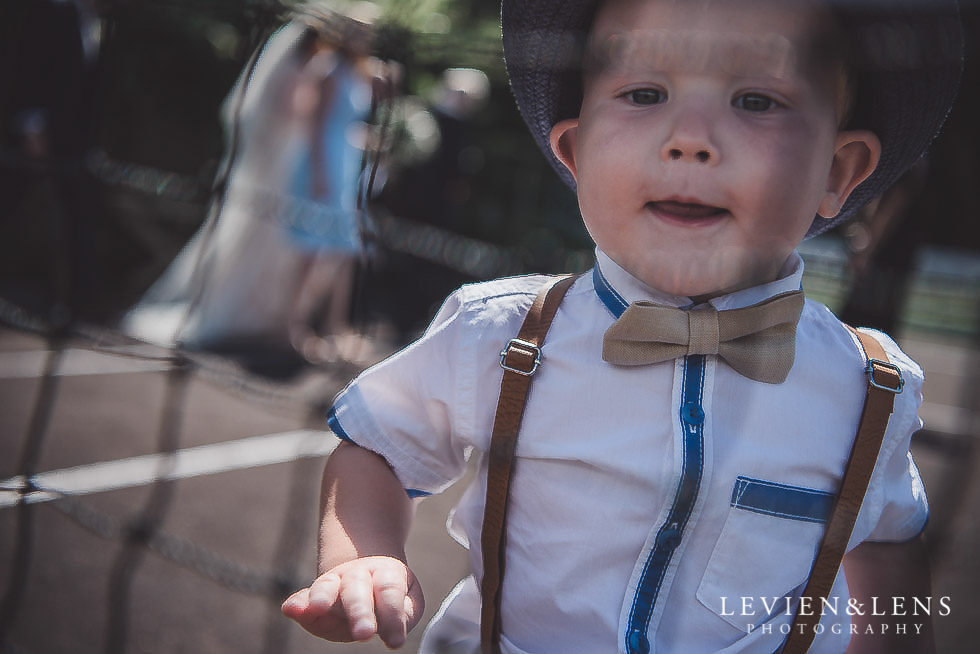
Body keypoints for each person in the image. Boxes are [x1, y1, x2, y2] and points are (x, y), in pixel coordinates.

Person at [281, 0, 962, 651]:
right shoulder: (501, 334)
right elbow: (376, 444)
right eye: (644, 94)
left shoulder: (871, 389)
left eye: (756, 101)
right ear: (576, 154)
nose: (690, 140)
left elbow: (886, 548)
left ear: (838, 171)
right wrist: (363, 557)